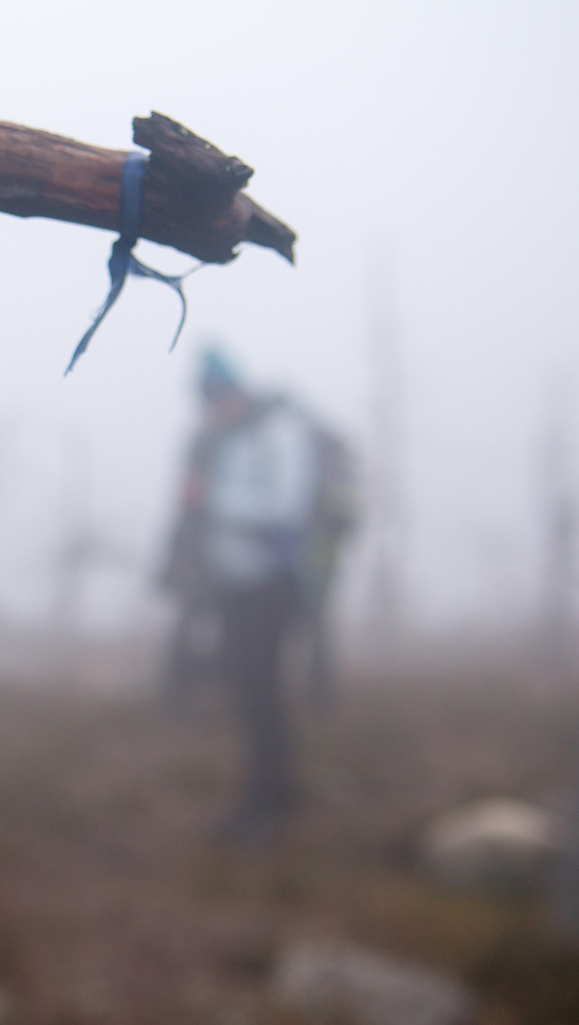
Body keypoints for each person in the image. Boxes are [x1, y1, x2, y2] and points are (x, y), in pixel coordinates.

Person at [159, 348, 357, 843]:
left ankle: (268, 803)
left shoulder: (281, 433)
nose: (214, 409)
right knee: (247, 690)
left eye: (218, 398)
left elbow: (280, 508)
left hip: (275, 585)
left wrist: (216, 507)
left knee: (258, 691)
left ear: (237, 392)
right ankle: (269, 794)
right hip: (235, 584)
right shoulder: (223, 440)